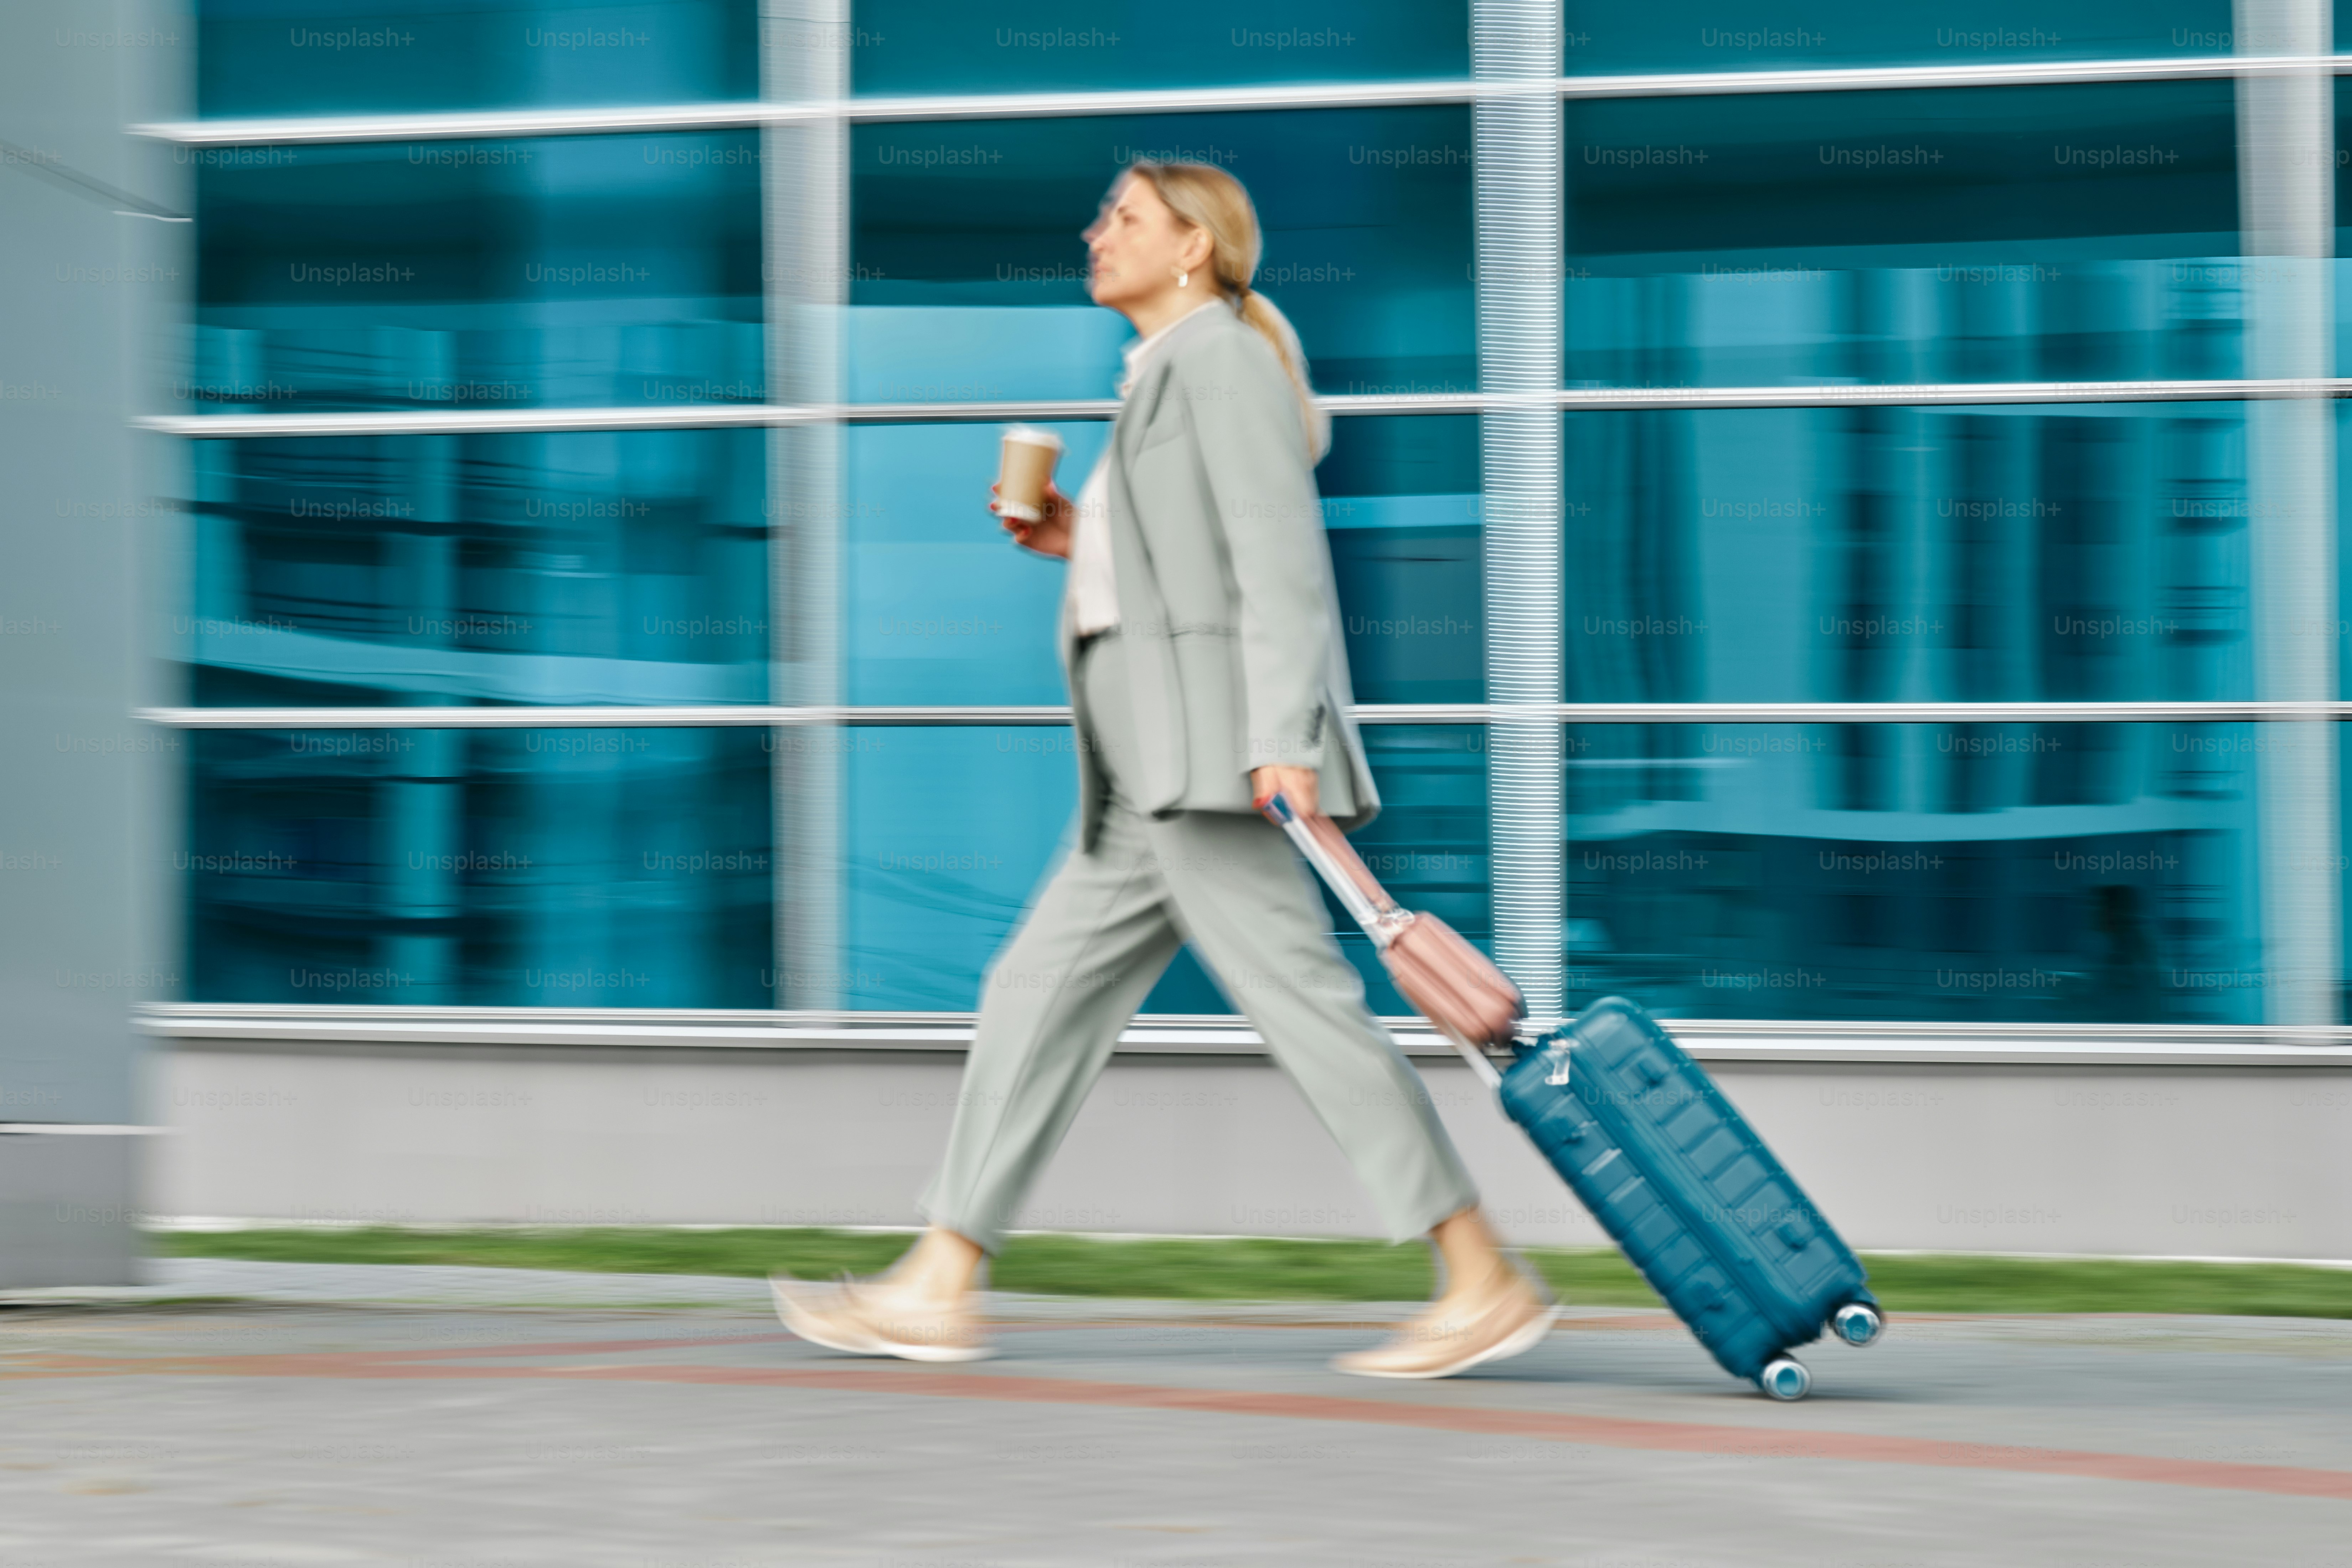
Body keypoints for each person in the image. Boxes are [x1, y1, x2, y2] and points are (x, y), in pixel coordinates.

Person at [772, 161, 1553, 1378]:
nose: (1097, 233)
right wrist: (1076, 538)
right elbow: (1181, 565)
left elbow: (1281, 562)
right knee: (1034, 994)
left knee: (1307, 1013)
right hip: (1147, 772)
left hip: (1211, 762)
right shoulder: (1165, 372)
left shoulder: (1220, 361)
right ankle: (939, 1282)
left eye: (1124, 217)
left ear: (1193, 246)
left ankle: (1481, 1278)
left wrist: (1282, 740)